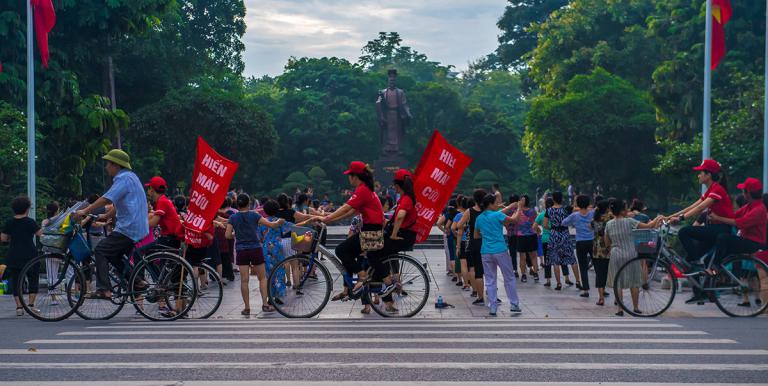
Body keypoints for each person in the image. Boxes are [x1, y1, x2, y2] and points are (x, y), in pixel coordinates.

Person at [75, 149, 149, 300]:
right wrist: (105, 215)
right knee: (113, 255)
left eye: (108, 163)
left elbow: (107, 199)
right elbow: (121, 203)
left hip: (129, 227)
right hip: (136, 226)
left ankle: (104, 289)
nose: (106, 167)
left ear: (116, 165)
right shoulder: (131, 177)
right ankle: (138, 282)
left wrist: (85, 210)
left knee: (101, 250)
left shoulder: (123, 179)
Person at [666, 159, 735, 304]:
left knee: (684, 232)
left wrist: (680, 219)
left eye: (700, 173)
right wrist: (671, 216)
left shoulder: (717, 190)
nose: (698, 176)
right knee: (690, 261)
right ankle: (700, 293)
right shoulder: (711, 189)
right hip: (715, 229)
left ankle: (698, 261)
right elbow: (694, 205)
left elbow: (699, 209)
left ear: (708, 175)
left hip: (721, 229)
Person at [321, 161, 384, 300]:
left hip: (370, 231)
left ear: (355, 176)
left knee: (340, 250)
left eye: (349, 175)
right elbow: (351, 211)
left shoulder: (362, 189)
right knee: (347, 252)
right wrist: (330, 218)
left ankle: (362, 275)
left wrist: (329, 217)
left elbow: (345, 207)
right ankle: (349, 288)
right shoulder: (366, 188)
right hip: (372, 229)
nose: (348, 178)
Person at [367, 169, 419, 313]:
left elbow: (401, 216)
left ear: (397, 185)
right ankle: (387, 298)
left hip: (402, 236)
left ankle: (388, 282)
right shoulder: (405, 198)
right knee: (379, 259)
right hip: (405, 235)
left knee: (372, 253)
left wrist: (394, 234)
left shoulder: (406, 199)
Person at [225, 193, 285, 315]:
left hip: (241, 250)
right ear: (249, 204)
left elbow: (227, 235)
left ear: (238, 204)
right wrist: (279, 221)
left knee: (244, 280)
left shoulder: (233, 218)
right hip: (255, 249)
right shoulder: (254, 215)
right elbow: (272, 225)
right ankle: (265, 304)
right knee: (262, 278)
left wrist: (237, 234)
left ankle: (247, 308)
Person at [605, 199, 662, 316]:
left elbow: (607, 242)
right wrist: (658, 218)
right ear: (621, 211)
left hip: (616, 254)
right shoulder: (630, 221)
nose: (627, 210)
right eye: (625, 208)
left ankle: (620, 309)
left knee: (618, 283)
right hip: (631, 254)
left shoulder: (609, 224)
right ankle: (636, 307)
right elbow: (649, 226)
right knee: (634, 281)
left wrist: (613, 248)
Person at [474, 193, 523, 316]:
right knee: (509, 277)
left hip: (485, 251)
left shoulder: (479, 218)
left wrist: (486, 235)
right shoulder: (498, 215)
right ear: (490, 204)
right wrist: (519, 208)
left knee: (490, 280)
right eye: (496, 203)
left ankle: (492, 307)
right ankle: (514, 304)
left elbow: (476, 235)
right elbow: (514, 220)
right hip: (500, 250)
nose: (498, 205)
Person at [707, 178, 767, 276]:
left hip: (754, 243)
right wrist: (717, 209)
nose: (742, 193)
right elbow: (732, 215)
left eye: (743, 191)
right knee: (711, 256)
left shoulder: (759, 209)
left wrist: (718, 217)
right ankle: (716, 281)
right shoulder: (749, 206)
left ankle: (715, 268)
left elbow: (740, 223)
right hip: (746, 240)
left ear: (748, 193)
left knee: (723, 238)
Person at [2, 196, 43, 316]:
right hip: (30, 254)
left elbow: (3, 238)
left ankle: (19, 307)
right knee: (33, 278)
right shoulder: (30, 222)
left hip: (14, 254)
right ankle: (30, 305)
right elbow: (40, 234)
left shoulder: (9, 222)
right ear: (27, 209)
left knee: (16, 280)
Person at [542, 191, 579, 291]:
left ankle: (558, 283)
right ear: (562, 198)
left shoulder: (548, 210)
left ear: (553, 199)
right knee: (572, 259)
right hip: (565, 234)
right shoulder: (566, 209)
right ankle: (578, 281)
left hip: (554, 235)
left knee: (555, 261)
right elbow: (577, 210)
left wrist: (553, 229)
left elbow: (545, 225)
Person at [259, 199, 291, 305]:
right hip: (278, 249)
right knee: (279, 272)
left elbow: (259, 236)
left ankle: (269, 297)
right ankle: (278, 295)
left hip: (265, 250)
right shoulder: (280, 221)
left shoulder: (262, 221)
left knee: (268, 274)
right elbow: (292, 227)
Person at [563, 195, 595, 298]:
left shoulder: (575, 215)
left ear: (578, 204)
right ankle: (602, 290)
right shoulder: (592, 213)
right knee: (598, 266)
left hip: (580, 242)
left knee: (583, 267)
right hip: (592, 241)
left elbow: (564, 223)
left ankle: (585, 290)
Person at [592, 199, 614, 306]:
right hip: (609, 249)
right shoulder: (610, 217)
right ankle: (617, 298)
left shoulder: (595, 218)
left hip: (597, 250)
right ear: (607, 208)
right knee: (613, 274)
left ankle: (601, 298)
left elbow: (590, 227)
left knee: (600, 275)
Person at [515, 195, 539, 283]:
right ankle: (523, 274)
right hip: (521, 236)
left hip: (531, 235)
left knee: (533, 255)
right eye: (520, 199)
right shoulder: (518, 211)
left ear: (527, 201)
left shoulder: (532, 211)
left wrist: (537, 230)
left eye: (523, 200)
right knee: (522, 257)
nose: (521, 201)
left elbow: (536, 221)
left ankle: (535, 273)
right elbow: (514, 220)